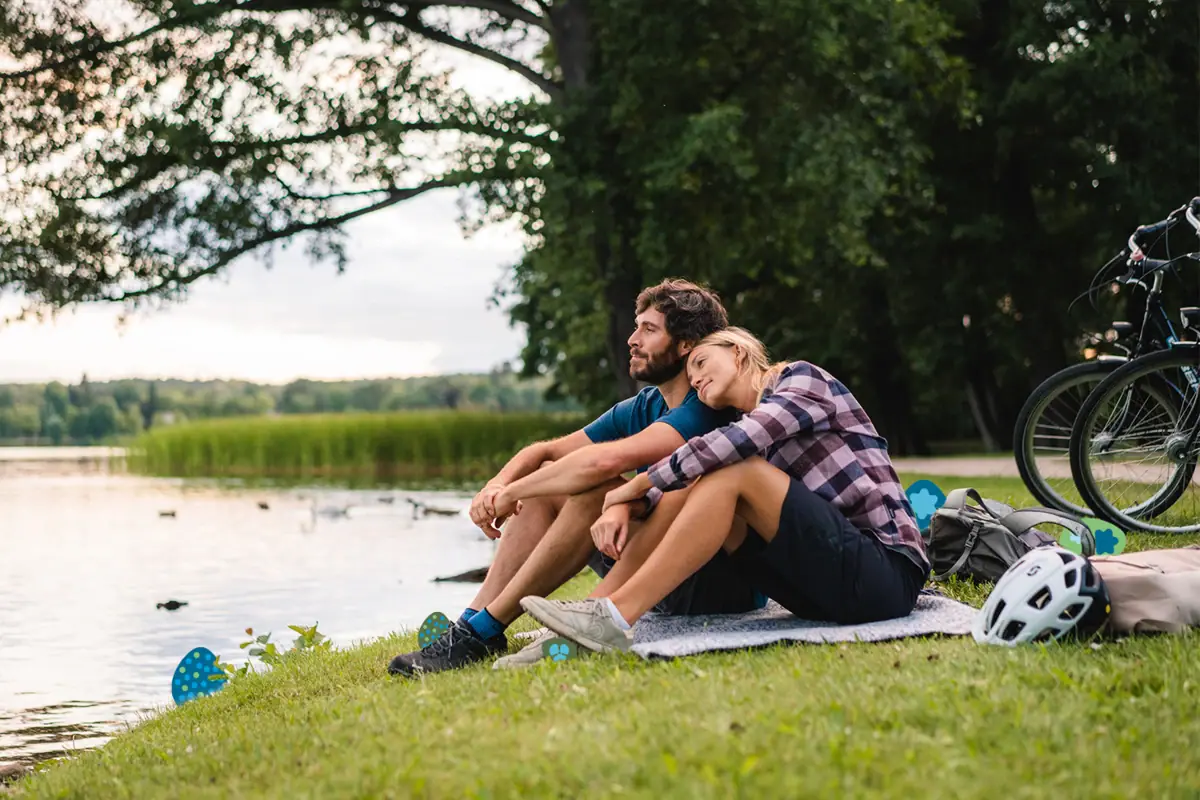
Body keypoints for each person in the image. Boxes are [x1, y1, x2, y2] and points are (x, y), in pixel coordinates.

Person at [387, 281, 764, 676]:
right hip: (654, 565)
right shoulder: (645, 404)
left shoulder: (705, 407)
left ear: (686, 344)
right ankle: (474, 620)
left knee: (591, 491)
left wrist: (512, 492)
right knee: (547, 488)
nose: (632, 340)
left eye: (649, 330)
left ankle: (481, 630)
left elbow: (603, 463)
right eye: (636, 327)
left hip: (716, 583)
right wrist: (497, 486)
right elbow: (545, 452)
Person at [518, 327, 931, 653]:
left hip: (885, 573)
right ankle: (585, 623)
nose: (695, 377)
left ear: (737, 351)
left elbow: (737, 443)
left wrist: (638, 483)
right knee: (708, 478)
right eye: (691, 373)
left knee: (732, 470)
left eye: (701, 361)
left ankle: (615, 616)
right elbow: (679, 497)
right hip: (820, 593)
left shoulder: (802, 380)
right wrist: (626, 505)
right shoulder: (739, 427)